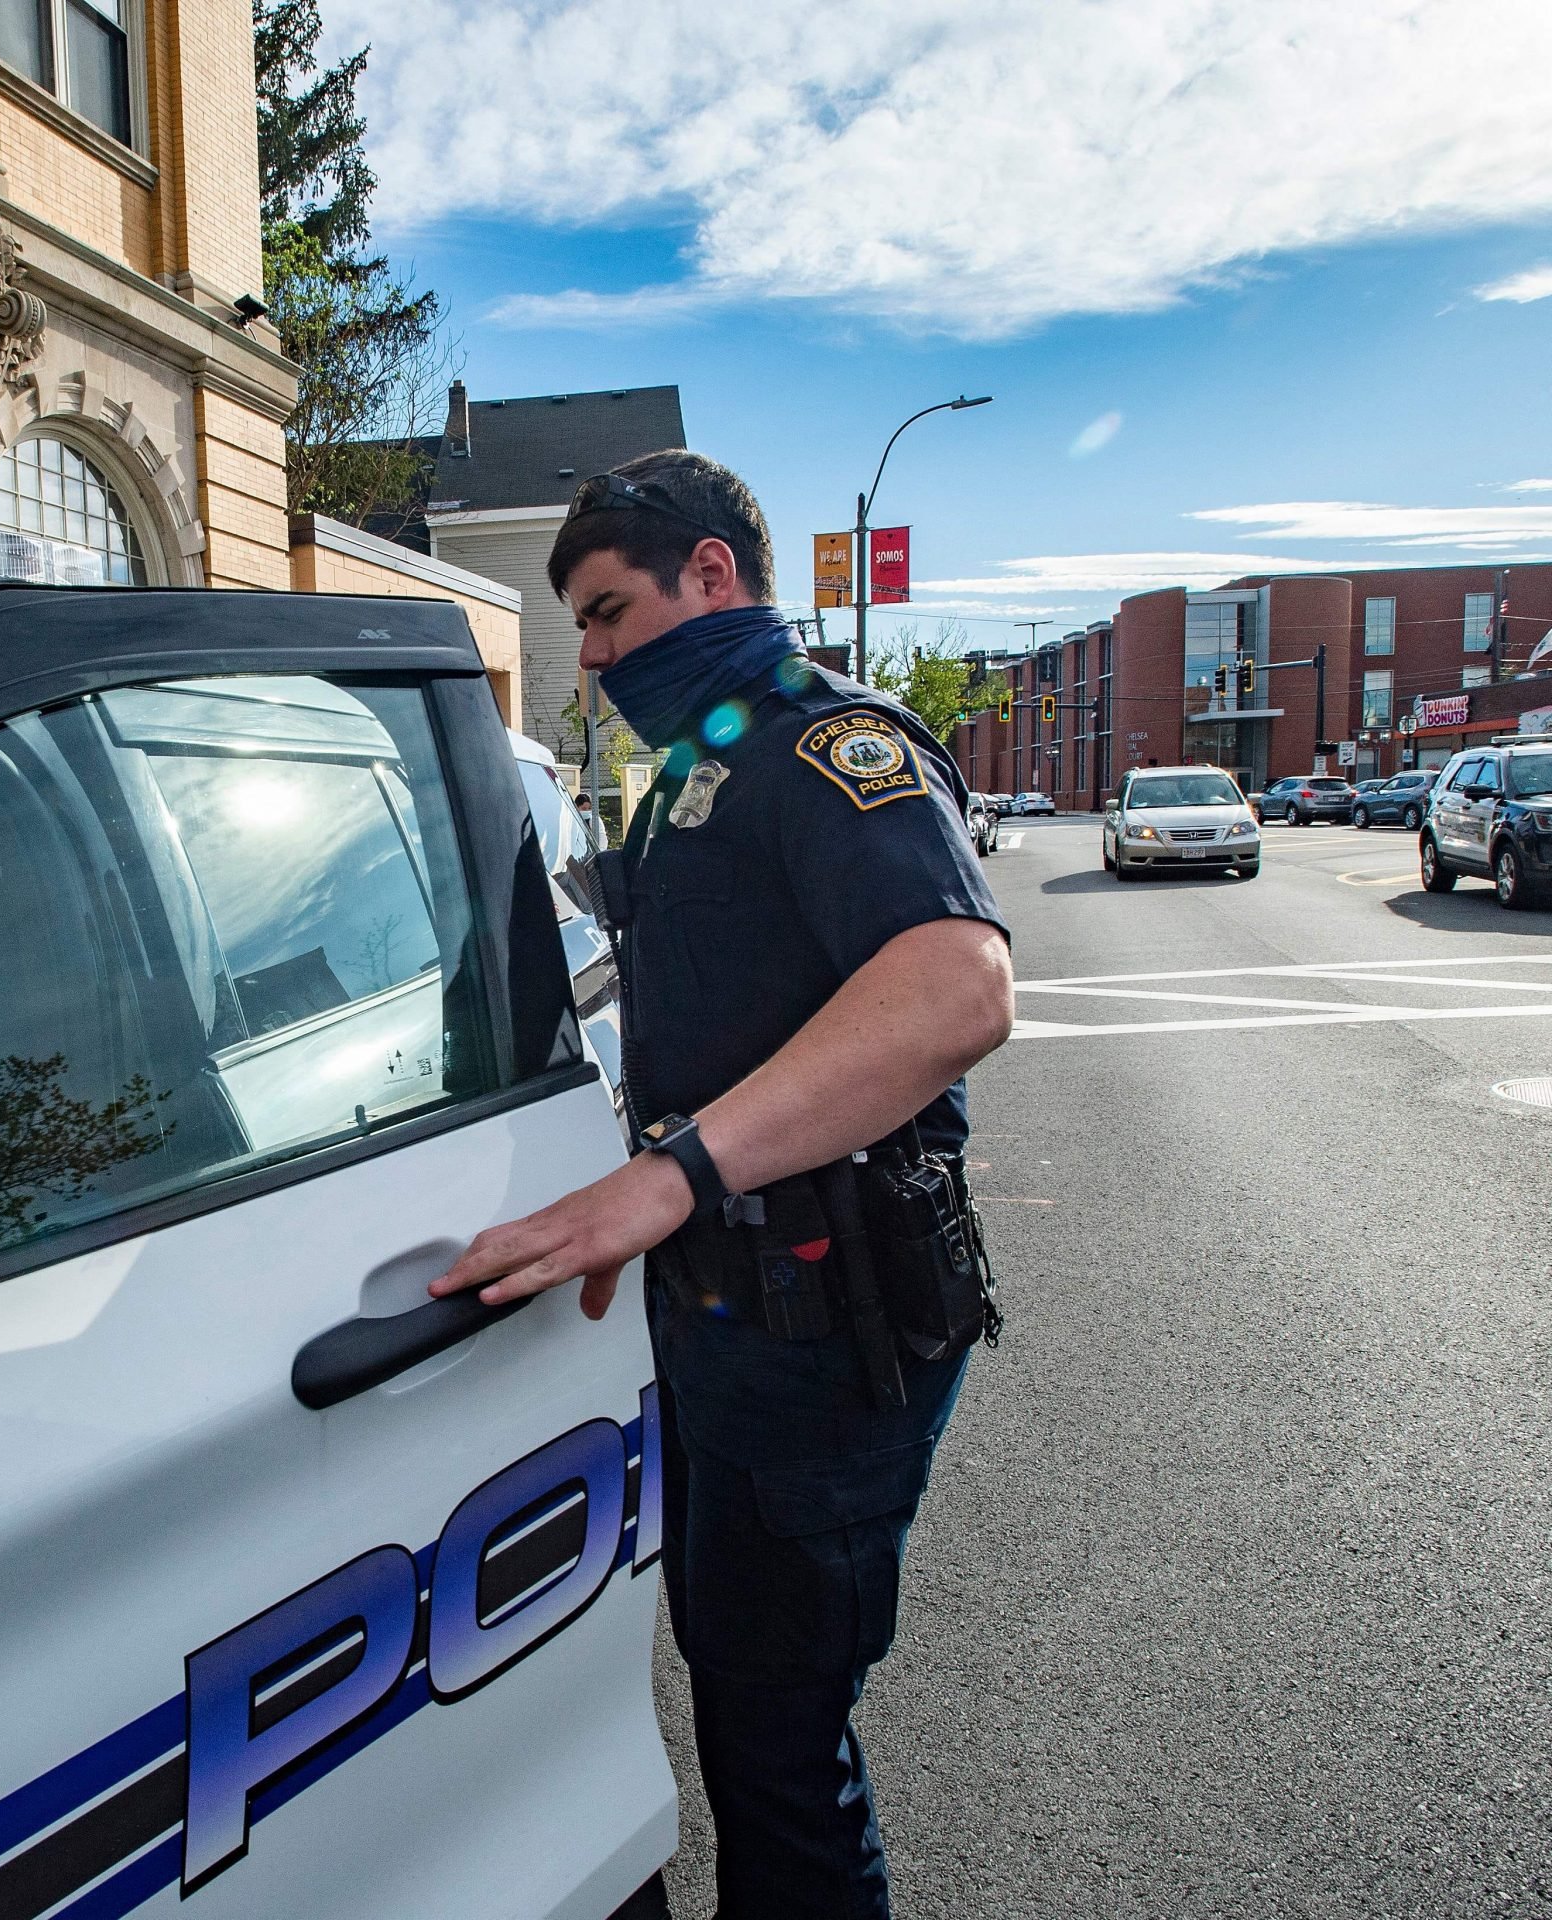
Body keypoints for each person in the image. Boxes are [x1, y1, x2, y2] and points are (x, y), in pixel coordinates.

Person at [431, 450, 1015, 1918]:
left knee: (775, 1748)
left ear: (715, 576)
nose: (605, 654)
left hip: (829, 1332)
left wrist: (673, 1178)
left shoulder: (829, 750)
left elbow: (957, 988)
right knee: (742, 1703)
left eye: (614, 612)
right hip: (727, 1326)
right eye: (586, 622)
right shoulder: (700, 767)